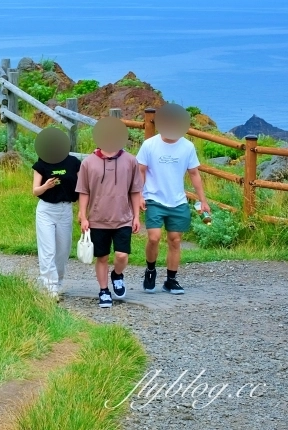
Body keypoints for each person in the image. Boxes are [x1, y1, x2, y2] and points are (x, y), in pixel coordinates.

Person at [137, 103, 210, 295]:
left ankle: (171, 280)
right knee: (154, 237)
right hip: (153, 197)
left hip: (177, 200)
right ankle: (150, 271)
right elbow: (141, 171)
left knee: (175, 240)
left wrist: (203, 200)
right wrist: (138, 195)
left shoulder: (187, 147)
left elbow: (194, 174)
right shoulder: (149, 145)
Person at [76, 117, 144, 308]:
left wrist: (137, 216)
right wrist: (83, 215)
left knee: (122, 255)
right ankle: (104, 291)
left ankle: (117, 275)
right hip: (98, 219)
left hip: (123, 218)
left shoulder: (130, 160)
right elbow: (84, 191)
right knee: (102, 257)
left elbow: (135, 190)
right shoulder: (88, 163)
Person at [30, 127, 81, 301]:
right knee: (48, 250)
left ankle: (57, 282)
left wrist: (83, 212)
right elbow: (35, 191)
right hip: (46, 209)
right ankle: (50, 287)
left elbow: (82, 189)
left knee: (63, 251)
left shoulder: (73, 162)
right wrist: (46, 186)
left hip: (65, 209)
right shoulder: (41, 164)